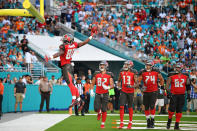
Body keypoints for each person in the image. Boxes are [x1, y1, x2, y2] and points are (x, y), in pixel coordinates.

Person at [52, 33, 94, 110]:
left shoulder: (63, 46)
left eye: (64, 41)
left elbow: (60, 53)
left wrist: (52, 56)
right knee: (72, 85)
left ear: (67, 41)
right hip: (70, 66)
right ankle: (79, 100)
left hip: (66, 67)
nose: (63, 42)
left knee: (70, 84)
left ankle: (74, 100)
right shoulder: (74, 44)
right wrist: (91, 36)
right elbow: (84, 42)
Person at [138, 60, 164, 128]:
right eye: (147, 65)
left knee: (152, 106)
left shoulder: (156, 71)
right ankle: (148, 121)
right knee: (146, 107)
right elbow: (138, 81)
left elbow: (161, 79)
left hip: (154, 91)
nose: (147, 66)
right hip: (146, 91)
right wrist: (141, 86)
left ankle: (152, 120)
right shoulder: (143, 72)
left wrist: (162, 86)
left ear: (151, 66)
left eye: (149, 65)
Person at [165, 63, 191, 130]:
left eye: (179, 67)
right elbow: (167, 85)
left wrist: (188, 94)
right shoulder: (171, 75)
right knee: (171, 110)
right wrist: (168, 92)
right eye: (176, 67)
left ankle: (176, 125)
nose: (177, 69)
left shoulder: (186, 76)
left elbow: (188, 86)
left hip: (182, 95)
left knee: (179, 111)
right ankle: (169, 122)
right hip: (174, 95)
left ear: (181, 68)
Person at [90, 61, 114, 129]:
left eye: (103, 65)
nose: (101, 66)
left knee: (104, 109)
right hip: (97, 93)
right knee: (96, 108)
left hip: (105, 93)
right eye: (101, 65)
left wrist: (108, 87)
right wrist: (91, 90)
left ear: (106, 66)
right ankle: (99, 112)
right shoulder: (96, 73)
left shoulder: (109, 74)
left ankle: (102, 124)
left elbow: (112, 85)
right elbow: (92, 83)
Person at [117, 60, 138, 129]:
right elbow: (119, 80)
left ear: (130, 65)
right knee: (121, 106)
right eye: (125, 64)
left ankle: (130, 122)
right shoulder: (122, 71)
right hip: (123, 91)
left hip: (131, 92)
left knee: (130, 107)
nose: (125, 65)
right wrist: (119, 86)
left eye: (127, 64)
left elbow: (137, 83)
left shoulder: (133, 72)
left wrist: (132, 86)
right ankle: (121, 123)